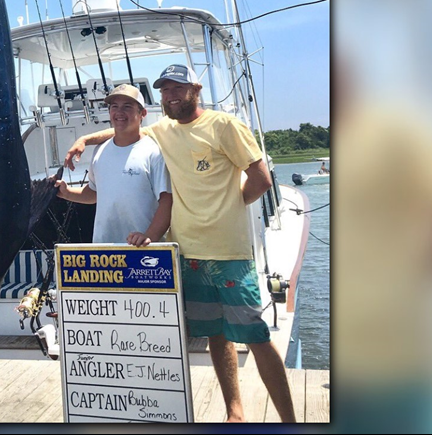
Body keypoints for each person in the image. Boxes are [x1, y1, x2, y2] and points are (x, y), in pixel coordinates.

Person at [64, 64, 296, 422]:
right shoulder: (163, 131)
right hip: (186, 254)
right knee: (217, 337)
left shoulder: (224, 125)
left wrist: (229, 205)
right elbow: (120, 129)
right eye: (165, 91)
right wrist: (83, 140)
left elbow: (261, 179)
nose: (170, 96)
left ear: (196, 89)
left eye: (178, 88)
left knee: (256, 336)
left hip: (229, 254)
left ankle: (289, 421)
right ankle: (235, 413)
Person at [55, 84, 173, 246]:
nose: (119, 112)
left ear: (142, 114)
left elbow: (167, 201)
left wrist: (149, 237)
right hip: (103, 251)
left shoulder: (154, 152)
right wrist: (67, 192)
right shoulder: (100, 151)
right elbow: (95, 192)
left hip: (143, 251)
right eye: (114, 107)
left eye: (127, 107)